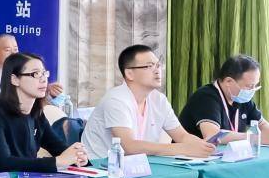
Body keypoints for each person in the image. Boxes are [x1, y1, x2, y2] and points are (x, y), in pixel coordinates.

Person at [81, 45, 214, 160]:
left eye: (158, 65)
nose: (157, 70)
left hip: (137, 166)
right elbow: (129, 146)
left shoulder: (159, 100)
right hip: (101, 168)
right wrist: (183, 149)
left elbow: (182, 136)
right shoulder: (116, 99)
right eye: (149, 66)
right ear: (129, 74)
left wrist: (204, 147)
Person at [0, 52, 89, 174]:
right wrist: (58, 161)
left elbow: (58, 147)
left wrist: (77, 156)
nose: (43, 79)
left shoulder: (36, 113)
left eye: (44, 73)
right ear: (15, 79)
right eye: (35, 74)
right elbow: (3, 163)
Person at [178, 54, 269, 146]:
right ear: (228, 81)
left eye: (255, 86)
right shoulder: (205, 97)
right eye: (249, 86)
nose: (252, 90)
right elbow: (212, 136)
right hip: (191, 157)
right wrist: (254, 138)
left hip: (227, 156)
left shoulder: (242, 99)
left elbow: (263, 125)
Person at [0, 34, 65, 108]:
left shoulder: (23, 75)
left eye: (15, 49)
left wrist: (47, 92)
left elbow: (36, 106)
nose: (13, 53)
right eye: (7, 50)